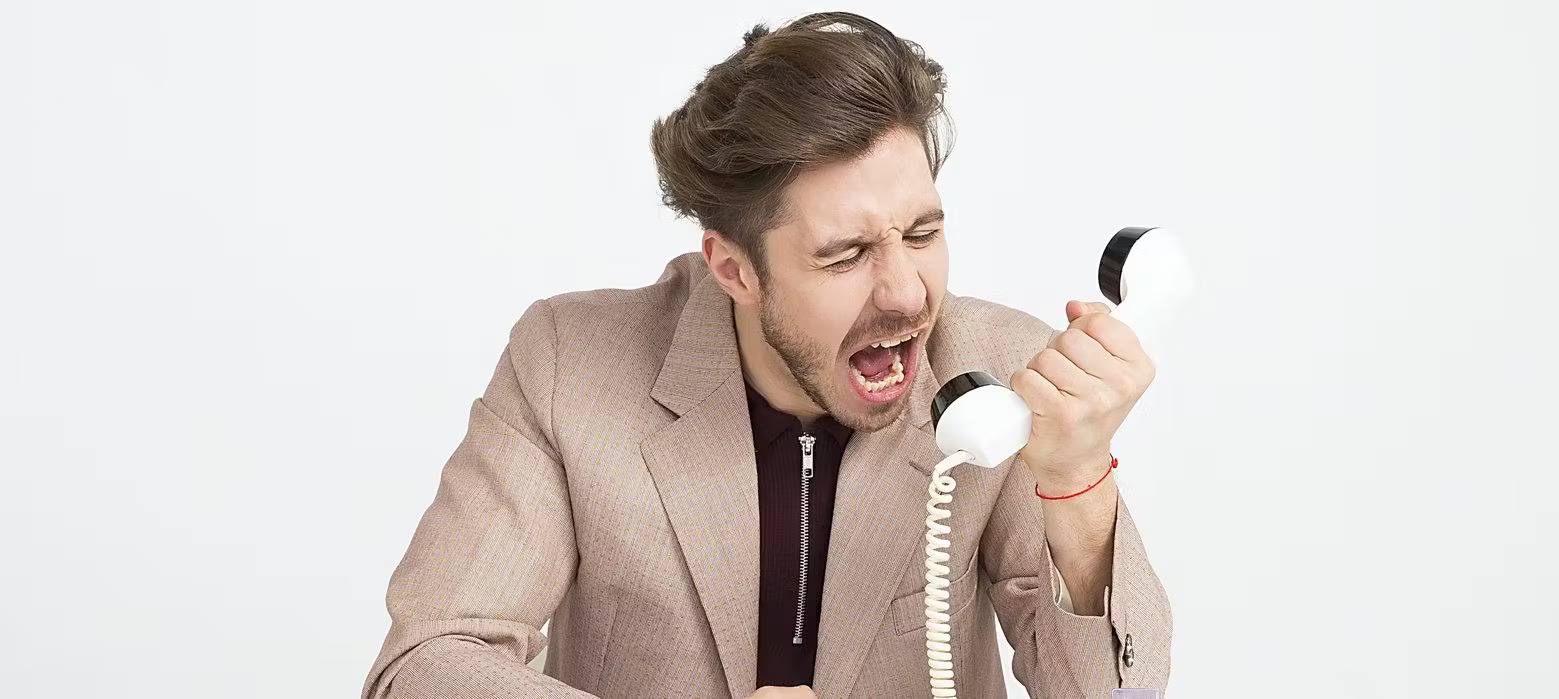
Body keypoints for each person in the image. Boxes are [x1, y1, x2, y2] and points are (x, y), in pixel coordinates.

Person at [361, 11, 1171, 698]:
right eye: (846, 254)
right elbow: (425, 665)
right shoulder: (567, 363)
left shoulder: (997, 374)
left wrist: (1078, 482)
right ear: (734, 269)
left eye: (923, 233)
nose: (906, 293)